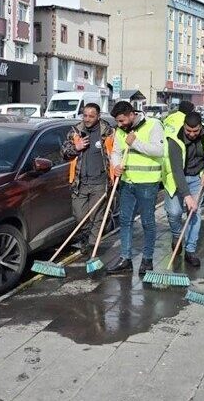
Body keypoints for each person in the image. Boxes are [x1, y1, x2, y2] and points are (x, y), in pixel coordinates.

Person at [107, 100, 165, 277]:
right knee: (125, 221)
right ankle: (125, 259)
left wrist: (135, 143)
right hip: (127, 182)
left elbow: (159, 150)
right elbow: (116, 152)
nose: (120, 124)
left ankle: (147, 259)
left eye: (122, 120)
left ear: (132, 115)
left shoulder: (153, 124)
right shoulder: (120, 130)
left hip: (147, 182)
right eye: (117, 121)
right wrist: (116, 165)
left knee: (147, 222)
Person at [163, 112, 204, 266]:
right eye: (188, 130)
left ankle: (190, 250)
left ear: (201, 127)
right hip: (175, 178)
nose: (191, 134)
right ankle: (177, 236)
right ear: (184, 126)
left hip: (197, 178)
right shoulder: (175, 139)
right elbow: (177, 170)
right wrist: (187, 196)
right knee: (174, 213)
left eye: (195, 131)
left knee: (194, 213)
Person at [61, 103, 115, 250]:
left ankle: (92, 247)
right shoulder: (75, 132)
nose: (87, 119)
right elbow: (64, 153)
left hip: (100, 183)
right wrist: (76, 148)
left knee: (97, 217)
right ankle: (86, 235)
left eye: (91, 116)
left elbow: (116, 153)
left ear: (98, 116)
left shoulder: (108, 132)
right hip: (80, 183)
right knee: (80, 216)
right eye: (85, 115)